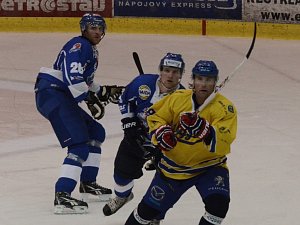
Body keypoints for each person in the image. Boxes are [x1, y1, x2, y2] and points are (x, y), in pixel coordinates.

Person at [123, 60, 237, 225]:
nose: (204, 84)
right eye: (200, 79)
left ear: (215, 81)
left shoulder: (225, 108)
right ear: (193, 80)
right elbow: (154, 115)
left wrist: (204, 130)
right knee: (147, 212)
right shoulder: (177, 99)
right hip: (173, 168)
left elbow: (225, 140)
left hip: (209, 167)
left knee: (218, 206)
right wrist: (161, 132)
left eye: (209, 79)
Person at [34, 13, 124, 214]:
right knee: (79, 146)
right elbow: (72, 76)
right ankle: (62, 195)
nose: (98, 32)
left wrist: (102, 91)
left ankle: (88, 184)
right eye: (93, 28)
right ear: (84, 29)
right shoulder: (79, 45)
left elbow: (84, 81)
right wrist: (91, 100)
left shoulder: (89, 49)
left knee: (95, 133)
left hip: (58, 94)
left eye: (100, 29)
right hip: (53, 94)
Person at [102, 53, 186, 224]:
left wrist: (163, 146)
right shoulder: (143, 83)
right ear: (160, 71)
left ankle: (155, 216)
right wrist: (129, 121)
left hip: (165, 146)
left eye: (175, 72)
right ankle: (122, 196)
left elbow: (183, 129)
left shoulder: (184, 98)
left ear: (181, 74)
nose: (170, 75)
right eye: (167, 70)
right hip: (136, 136)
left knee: (164, 185)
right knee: (121, 171)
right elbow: (124, 99)